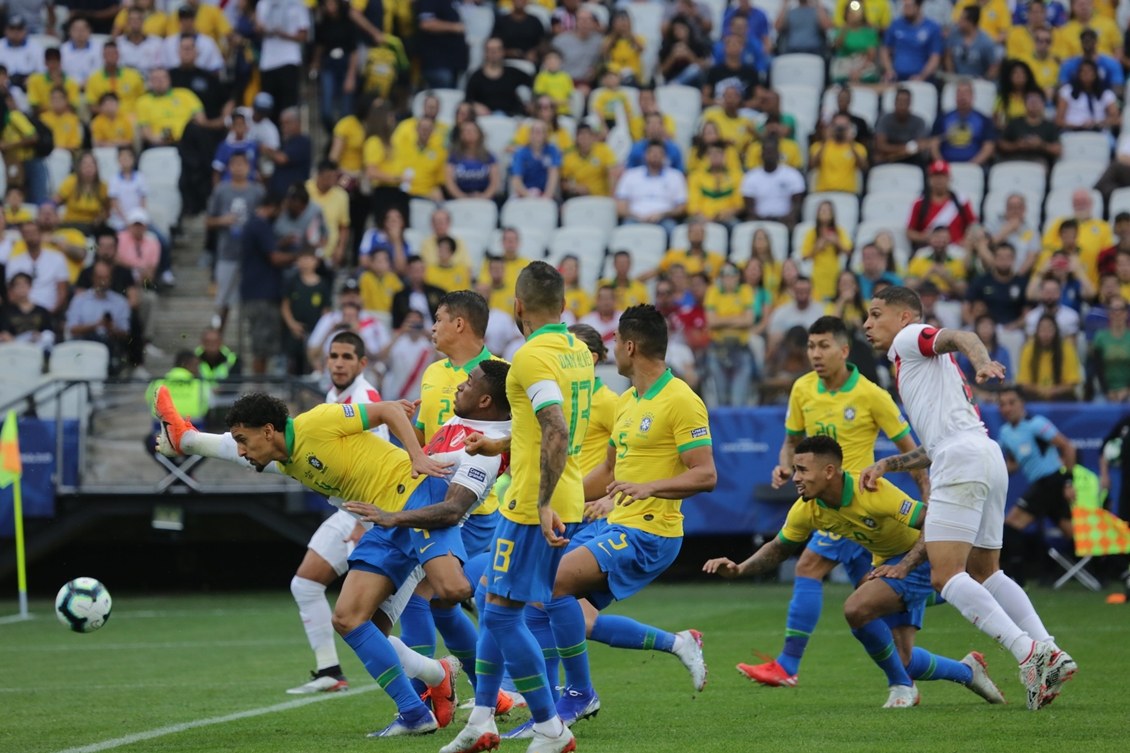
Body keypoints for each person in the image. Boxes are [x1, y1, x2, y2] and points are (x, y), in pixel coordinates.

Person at [154, 382, 479, 737]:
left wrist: (416, 455)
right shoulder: (283, 455)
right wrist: (186, 440)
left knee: (445, 596)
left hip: (414, 497)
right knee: (363, 625)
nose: (241, 450)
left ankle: (481, 698)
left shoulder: (316, 423)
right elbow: (228, 448)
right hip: (387, 518)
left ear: (268, 431)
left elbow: (386, 410)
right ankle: (437, 682)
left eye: (244, 440)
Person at [501, 305, 714, 741]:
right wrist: (558, 500)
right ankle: (548, 711)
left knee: (555, 581)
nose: (614, 349)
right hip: (616, 525)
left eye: (617, 341)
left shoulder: (681, 400)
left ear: (631, 346)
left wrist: (649, 487)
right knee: (545, 598)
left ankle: (578, 694)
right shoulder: (630, 401)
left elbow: (706, 474)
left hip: (650, 531)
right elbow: (606, 475)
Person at [859, 285, 1076, 710]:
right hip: (983, 453)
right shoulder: (915, 365)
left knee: (945, 575)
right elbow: (935, 444)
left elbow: (960, 336)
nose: (867, 323)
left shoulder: (910, 337)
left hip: (962, 459)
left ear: (904, 318)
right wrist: (888, 465)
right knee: (984, 571)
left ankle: (1026, 654)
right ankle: (1048, 649)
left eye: (876, 313)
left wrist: (981, 361)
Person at [704, 435, 1005, 708]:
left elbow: (931, 521)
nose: (795, 478)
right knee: (904, 659)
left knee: (857, 608)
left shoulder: (872, 491)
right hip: (888, 564)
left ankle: (902, 685)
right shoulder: (807, 508)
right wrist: (740, 568)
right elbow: (779, 548)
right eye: (795, 470)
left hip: (919, 559)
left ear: (830, 472)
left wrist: (904, 565)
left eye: (803, 471)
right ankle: (967, 671)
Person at [439, 262, 587, 753]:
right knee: (491, 598)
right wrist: (498, 443)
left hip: (532, 503)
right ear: (563, 306)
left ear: (517, 307)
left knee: (500, 615)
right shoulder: (578, 351)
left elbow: (556, 428)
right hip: (562, 492)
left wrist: (541, 503)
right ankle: (482, 716)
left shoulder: (528, 358)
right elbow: (538, 425)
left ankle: (549, 727)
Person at [737, 316, 929, 687]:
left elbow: (915, 454)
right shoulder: (802, 389)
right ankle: (966, 670)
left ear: (844, 350)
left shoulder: (872, 395)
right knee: (892, 642)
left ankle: (788, 665)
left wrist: (928, 504)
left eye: (824, 346)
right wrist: (783, 466)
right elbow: (792, 442)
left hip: (861, 505)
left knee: (808, 566)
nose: (815, 354)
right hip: (830, 511)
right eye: (811, 346)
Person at [996, 387, 1077, 583]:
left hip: (1052, 480)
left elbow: (1067, 447)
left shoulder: (1036, 424)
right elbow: (1014, 464)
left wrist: (1068, 481)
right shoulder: (1005, 433)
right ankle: (1109, 569)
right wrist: (992, 471)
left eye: (1011, 402)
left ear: (1022, 403)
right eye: (1002, 404)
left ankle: (1017, 579)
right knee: (1071, 532)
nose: (1007, 408)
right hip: (1042, 485)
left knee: (1011, 524)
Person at [207, 151, 265, 332]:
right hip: (227, 253)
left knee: (254, 299)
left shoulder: (258, 191)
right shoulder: (221, 190)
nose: (239, 168)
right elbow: (208, 220)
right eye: (235, 164)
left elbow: (265, 218)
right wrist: (222, 220)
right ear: (229, 167)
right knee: (223, 300)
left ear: (249, 167)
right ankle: (217, 339)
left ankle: (253, 337)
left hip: (252, 255)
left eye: (242, 164)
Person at [65, 259, 132, 375]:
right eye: (100, 277)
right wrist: (97, 325)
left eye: (106, 277)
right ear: (93, 278)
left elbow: (126, 333)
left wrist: (111, 328)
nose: (103, 281)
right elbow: (72, 328)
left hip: (110, 345)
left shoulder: (120, 302)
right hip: (84, 344)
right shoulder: (80, 300)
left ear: (111, 279)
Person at [614, 141, 688, 236]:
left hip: (664, 218)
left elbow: (681, 207)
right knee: (625, 230)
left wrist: (662, 214)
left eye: (659, 153)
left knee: (672, 230)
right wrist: (637, 216)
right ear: (645, 155)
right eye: (652, 152)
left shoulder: (675, 176)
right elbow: (620, 207)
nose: (655, 155)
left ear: (665, 157)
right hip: (635, 218)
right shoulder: (631, 175)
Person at [907, 160, 977, 247]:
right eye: (935, 176)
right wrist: (924, 237)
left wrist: (966, 241)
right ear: (929, 179)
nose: (939, 180)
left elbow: (974, 226)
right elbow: (910, 232)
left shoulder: (962, 201)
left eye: (942, 176)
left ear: (949, 178)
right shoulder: (919, 203)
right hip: (930, 251)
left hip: (957, 251)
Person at [740, 138, 805, 228]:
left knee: (793, 222)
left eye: (772, 152)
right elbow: (749, 207)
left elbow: (797, 204)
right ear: (761, 154)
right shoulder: (751, 176)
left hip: (785, 220)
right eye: (766, 152)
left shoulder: (792, 174)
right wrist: (761, 219)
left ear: (778, 154)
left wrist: (787, 217)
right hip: (759, 220)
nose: (769, 155)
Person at [1017, 313, 1083, 400]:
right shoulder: (1028, 349)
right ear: (1037, 332)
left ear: (1056, 331)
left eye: (1049, 329)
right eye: (1043, 329)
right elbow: (1024, 383)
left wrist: (1053, 391)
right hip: (1035, 394)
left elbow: (1071, 383)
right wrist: (1041, 390)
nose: (1046, 334)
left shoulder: (1067, 349)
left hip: (1060, 395)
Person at [932, 79, 996, 166]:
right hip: (946, 168)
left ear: (973, 96)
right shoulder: (943, 118)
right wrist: (942, 164)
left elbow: (988, 147)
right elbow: (934, 145)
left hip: (974, 167)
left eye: (966, 92)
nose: (962, 96)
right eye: (959, 92)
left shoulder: (983, 120)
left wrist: (971, 166)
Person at [881, 0, 943, 82]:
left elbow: (935, 56)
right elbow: (885, 50)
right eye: (904, 6)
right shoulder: (895, 25)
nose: (905, 9)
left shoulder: (932, 27)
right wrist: (889, 70)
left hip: (922, 78)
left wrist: (922, 76)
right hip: (896, 76)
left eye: (908, 6)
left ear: (918, 7)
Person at [998, 91, 1062, 166]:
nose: (1033, 104)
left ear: (1043, 104)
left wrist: (1041, 145)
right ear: (1025, 104)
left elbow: (1058, 150)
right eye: (1031, 101)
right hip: (1016, 159)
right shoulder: (1015, 123)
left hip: (1039, 161)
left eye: (1036, 101)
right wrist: (1017, 145)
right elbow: (1001, 144)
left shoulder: (1050, 126)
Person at [873, 86, 930, 165]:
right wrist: (905, 148)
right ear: (895, 102)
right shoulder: (884, 119)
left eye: (905, 102)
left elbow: (919, 146)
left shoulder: (919, 121)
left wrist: (895, 150)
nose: (902, 105)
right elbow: (881, 145)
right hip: (888, 158)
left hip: (912, 158)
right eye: (900, 101)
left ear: (910, 103)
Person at [0, 272, 55, 353]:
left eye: (25, 284)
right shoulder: (6, 311)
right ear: (12, 289)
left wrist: (37, 336)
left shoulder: (42, 310)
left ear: (30, 286)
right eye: (18, 285)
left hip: (37, 346)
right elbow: (4, 332)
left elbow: (48, 332)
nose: (22, 288)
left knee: (48, 336)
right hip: (15, 346)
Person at [945, 6, 1000, 79]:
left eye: (962, 19)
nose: (959, 21)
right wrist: (951, 74)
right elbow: (948, 56)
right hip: (956, 79)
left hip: (977, 81)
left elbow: (994, 66)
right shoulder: (954, 35)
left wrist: (984, 79)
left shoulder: (986, 42)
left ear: (970, 22)